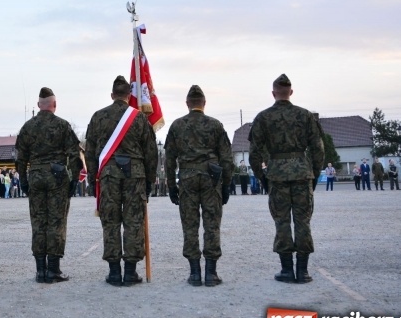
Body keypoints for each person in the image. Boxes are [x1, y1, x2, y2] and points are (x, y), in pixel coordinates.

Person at [249, 74, 324, 284]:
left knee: (281, 221)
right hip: (302, 173)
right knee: (303, 220)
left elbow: (254, 153)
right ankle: (303, 271)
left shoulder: (263, 117)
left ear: (273, 93)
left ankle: (287, 270)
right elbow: (318, 149)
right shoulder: (305, 115)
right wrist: (314, 174)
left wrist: (262, 177)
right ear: (291, 92)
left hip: (277, 174)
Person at [85, 76, 157, 287]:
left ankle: (114, 272)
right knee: (134, 221)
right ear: (128, 96)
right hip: (135, 175)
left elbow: (90, 152)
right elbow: (151, 152)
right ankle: (131, 272)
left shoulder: (98, 117)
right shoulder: (139, 118)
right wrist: (149, 181)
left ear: (112, 95)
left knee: (111, 221)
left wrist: (93, 179)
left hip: (108, 175)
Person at [164, 85, 234, 287]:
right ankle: (211, 273)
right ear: (204, 103)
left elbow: (169, 159)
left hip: (187, 178)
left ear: (187, 104)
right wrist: (226, 185)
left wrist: (171, 186)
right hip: (211, 179)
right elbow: (227, 158)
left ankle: (195, 273)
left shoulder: (177, 125)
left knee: (190, 224)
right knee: (212, 224)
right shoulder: (215, 125)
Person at [15, 87, 82, 284]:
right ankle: (53, 269)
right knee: (56, 222)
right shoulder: (62, 125)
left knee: (38, 222)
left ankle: (40, 270)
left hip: (35, 176)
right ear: (55, 104)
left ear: (38, 105)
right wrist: (74, 179)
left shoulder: (28, 127)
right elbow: (75, 155)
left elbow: (20, 158)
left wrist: (23, 180)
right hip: (57, 177)